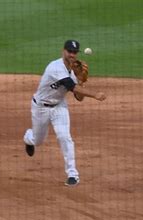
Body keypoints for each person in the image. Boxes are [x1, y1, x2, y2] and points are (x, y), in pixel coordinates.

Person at [23, 40, 106, 186]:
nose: (72, 55)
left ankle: (72, 174)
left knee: (64, 136)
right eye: (69, 51)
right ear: (63, 51)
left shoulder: (73, 73)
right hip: (40, 107)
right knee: (38, 141)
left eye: (74, 52)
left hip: (59, 107)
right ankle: (28, 138)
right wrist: (95, 94)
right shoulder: (55, 67)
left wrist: (81, 81)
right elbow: (71, 87)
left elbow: (79, 97)